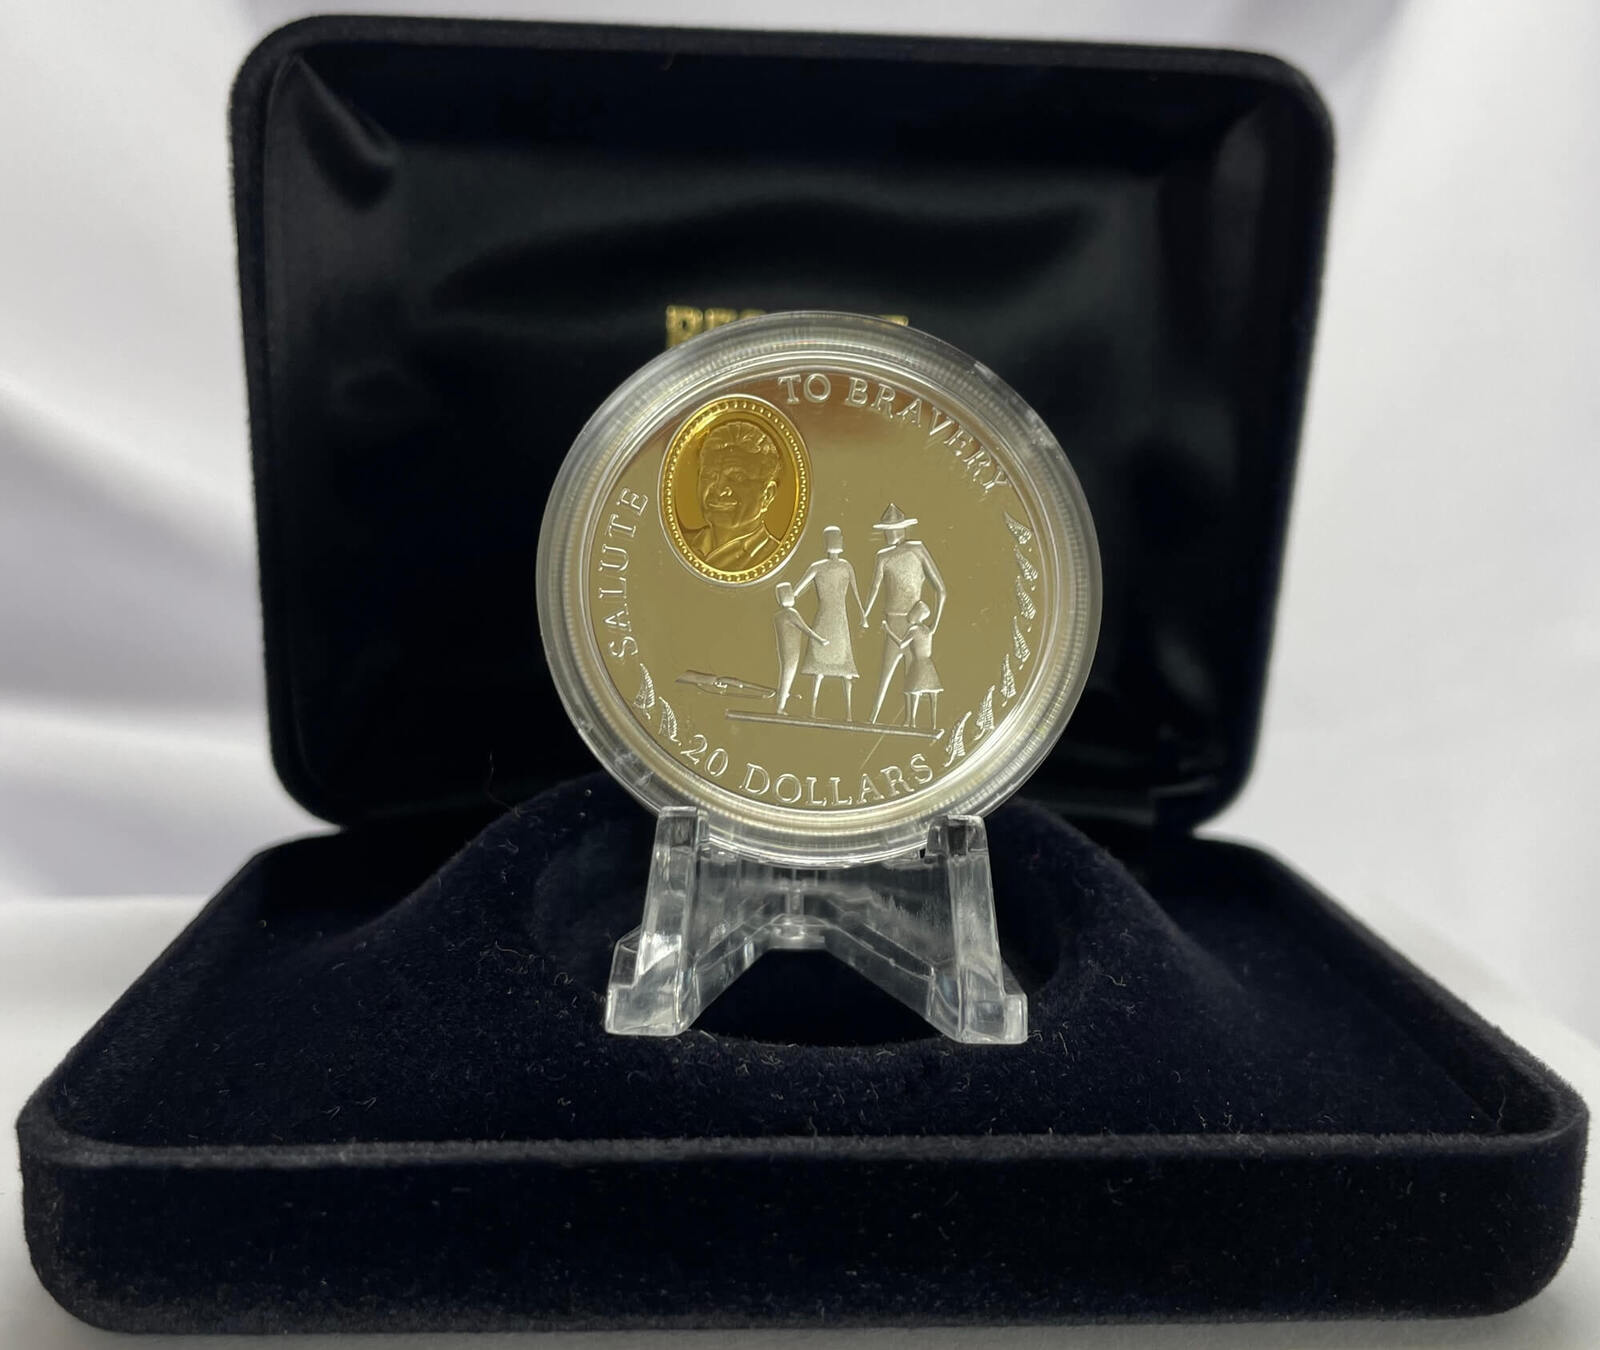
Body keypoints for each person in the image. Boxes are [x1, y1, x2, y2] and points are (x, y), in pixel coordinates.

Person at [862, 503, 947, 723]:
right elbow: (874, 587)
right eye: (886, 530)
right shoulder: (883, 556)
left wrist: (934, 625)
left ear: (902, 529)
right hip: (894, 620)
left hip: (911, 625)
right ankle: (874, 717)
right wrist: (865, 613)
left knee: (911, 679)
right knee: (888, 675)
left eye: (892, 529)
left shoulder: (916, 549)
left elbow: (941, 589)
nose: (889, 534)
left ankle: (910, 721)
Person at [682, 420, 783, 570]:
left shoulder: (778, 559)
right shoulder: (678, 546)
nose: (719, 489)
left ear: (767, 495)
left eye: (737, 477)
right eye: (710, 475)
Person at [791, 524, 864, 720]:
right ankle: (814, 711)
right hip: (826, 619)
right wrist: (790, 597)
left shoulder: (845, 566)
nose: (839, 541)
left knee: (843, 669)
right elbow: (797, 589)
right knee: (820, 668)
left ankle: (848, 714)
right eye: (837, 538)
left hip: (839, 621)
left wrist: (863, 614)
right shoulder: (819, 567)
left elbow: (856, 593)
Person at [884, 601, 943, 729]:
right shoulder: (927, 629)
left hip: (918, 665)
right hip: (929, 665)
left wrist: (888, 630)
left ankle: (913, 722)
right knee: (933, 696)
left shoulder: (914, 629)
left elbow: (901, 644)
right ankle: (933, 725)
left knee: (914, 692)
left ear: (916, 614)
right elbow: (934, 625)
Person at [772, 581, 827, 713]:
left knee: (786, 676)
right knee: (787, 677)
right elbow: (805, 629)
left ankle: (781, 704)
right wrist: (820, 640)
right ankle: (780, 707)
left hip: (784, 650)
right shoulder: (791, 613)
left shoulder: (778, 615)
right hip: (792, 652)